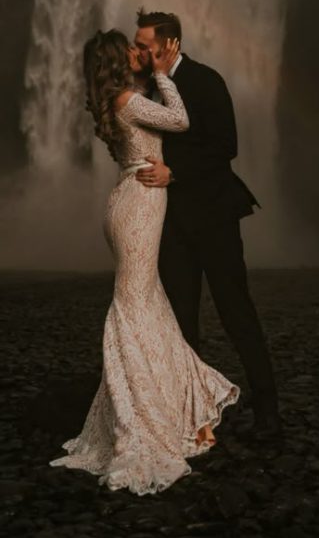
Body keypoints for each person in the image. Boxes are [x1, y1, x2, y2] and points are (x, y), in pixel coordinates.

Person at [49, 29, 240, 495]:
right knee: (134, 307)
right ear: (121, 60)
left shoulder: (116, 101)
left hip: (128, 201)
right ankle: (141, 421)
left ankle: (180, 412)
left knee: (148, 303)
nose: (140, 53)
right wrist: (162, 74)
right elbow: (179, 120)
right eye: (132, 50)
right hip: (141, 204)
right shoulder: (129, 100)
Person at [132, 9, 282, 443]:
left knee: (236, 311)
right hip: (172, 222)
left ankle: (269, 410)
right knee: (180, 319)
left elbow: (225, 147)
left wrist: (173, 172)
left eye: (144, 45)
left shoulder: (206, 81)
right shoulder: (146, 90)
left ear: (169, 44)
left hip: (214, 216)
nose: (139, 51)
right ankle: (191, 418)